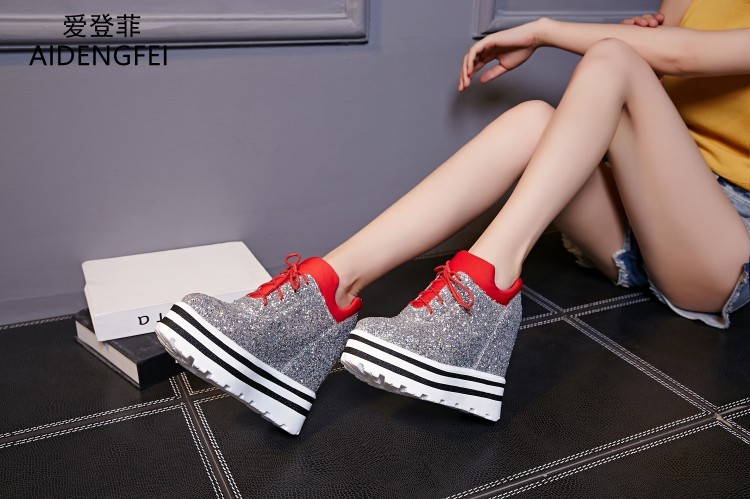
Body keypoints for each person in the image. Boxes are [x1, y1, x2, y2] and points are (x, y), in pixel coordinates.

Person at [155, 0, 750, 435]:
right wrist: (645, 39)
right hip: (644, 211)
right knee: (535, 118)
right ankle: (321, 297)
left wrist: (544, 30)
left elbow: (685, 54)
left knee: (613, 58)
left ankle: (484, 295)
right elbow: (664, 64)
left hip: (720, 246)